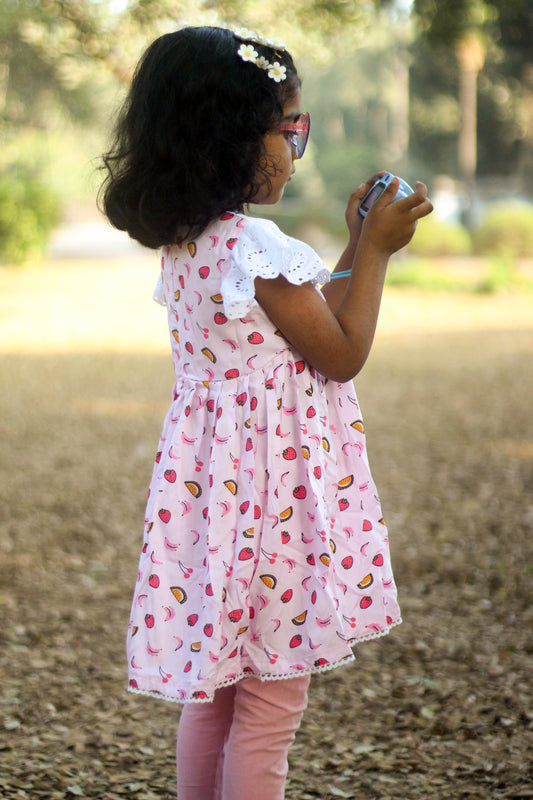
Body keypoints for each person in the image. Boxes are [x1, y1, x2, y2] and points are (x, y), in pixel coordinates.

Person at [98, 25, 433, 800]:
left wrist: (353, 240)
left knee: (214, 691)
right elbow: (341, 352)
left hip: (216, 508)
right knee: (270, 705)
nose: (293, 149)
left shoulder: (192, 246)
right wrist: (377, 252)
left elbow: (306, 325)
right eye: (288, 129)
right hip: (276, 508)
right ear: (229, 139)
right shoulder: (255, 247)